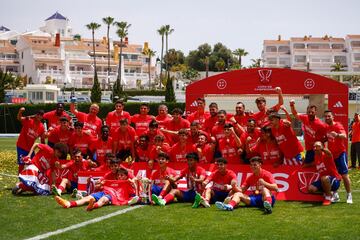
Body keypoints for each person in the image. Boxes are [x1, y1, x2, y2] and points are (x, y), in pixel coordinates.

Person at [55, 166, 135, 210]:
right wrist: (101, 184)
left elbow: (133, 193)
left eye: (122, 175)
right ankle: (69, 204)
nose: (119, 177)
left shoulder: (128, 183)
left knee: (103, 200)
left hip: (112, 196)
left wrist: (132, 185)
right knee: (87, 197)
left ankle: (93, 206)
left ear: (125, 176)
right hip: (104, 192)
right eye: (119, 175)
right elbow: (97, 186)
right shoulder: (111, 180)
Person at [323, 110, 352, 204]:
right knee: (334, 176)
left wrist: (337, 135)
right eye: (326, 116)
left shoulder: (337, 125)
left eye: (329, 116)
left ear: (333, 117)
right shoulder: (326, 127)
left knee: (344, 175)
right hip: (332, 155)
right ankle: (335, 195)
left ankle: (349, 194)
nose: (327, 118)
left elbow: (344, 136)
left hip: (340, 154)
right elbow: (326, 138)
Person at [304, 142, 342, 206]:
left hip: (334, 180)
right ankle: (331, 193)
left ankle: (328, 198)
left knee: (324, 178)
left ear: (322, 147)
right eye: (314, 147)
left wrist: (323, 148)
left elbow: (329, 153)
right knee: (311, 189)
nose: (315, 148)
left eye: (317, 146)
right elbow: (314, 163)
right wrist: (306, 165)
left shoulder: (326, 155)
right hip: (323, 181)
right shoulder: (316, 156)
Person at [16, 108, 46, 173]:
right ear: (36, 114)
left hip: (30, 148)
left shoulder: (42, 127)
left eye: (41, 115)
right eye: (38, 114)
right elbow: (19, 118)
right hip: (21, 146)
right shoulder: (29, 120)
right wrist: (20, 111)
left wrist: (44, 149)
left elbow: (42, 140)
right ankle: (20, 181)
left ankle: (30, 178)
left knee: (33, 164)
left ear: (42, 116)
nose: (39, 116)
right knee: (21, 164)